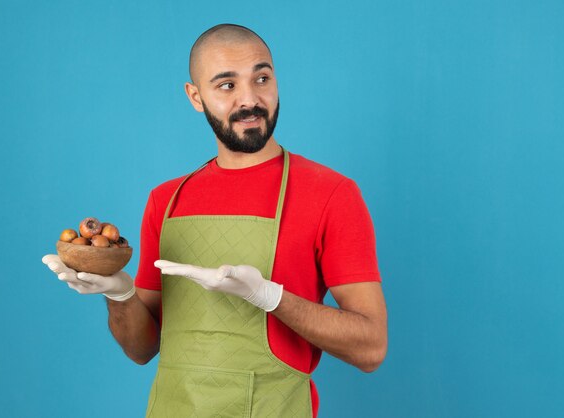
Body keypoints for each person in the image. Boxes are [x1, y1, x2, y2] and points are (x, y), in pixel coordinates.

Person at [43, 23, 387, 417]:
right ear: (195, 96)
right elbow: (142, 349)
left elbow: (371, 348)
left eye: (262, 78)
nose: (250, 99)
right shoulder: (167, 201)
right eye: (226, 85)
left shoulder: (330, 193)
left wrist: (270, 297)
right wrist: (119, 295)